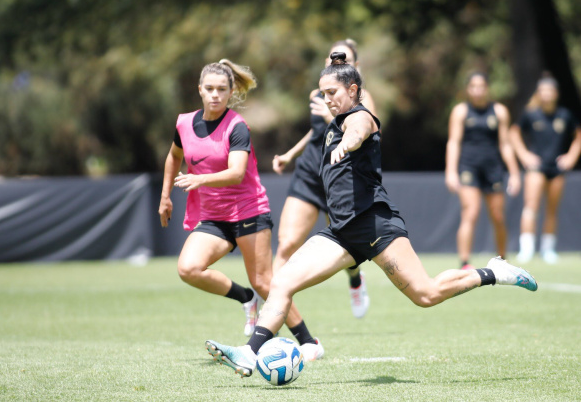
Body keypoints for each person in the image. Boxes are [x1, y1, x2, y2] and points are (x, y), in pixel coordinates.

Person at [204, 52, 537, 377]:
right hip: (341, 233)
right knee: (282, 283)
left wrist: (346, 144)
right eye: (323, 94)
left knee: (426, 294)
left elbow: (359, 129)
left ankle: (495, 272)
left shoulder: (359, 117)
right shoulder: (333, 124)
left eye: (333, 92)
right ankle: (249, 353)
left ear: (353, 91)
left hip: (376, 225)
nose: (328, 99)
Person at [159, 59, 324, 359]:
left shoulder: (237, 126)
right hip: (214, 217)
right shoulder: (184, 123)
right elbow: (173, 157)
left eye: (222, 89)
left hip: (249, 211)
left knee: (264, 281)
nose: (215, 95)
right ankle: (245, 298)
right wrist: (165, 197)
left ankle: (309, 341)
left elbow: (236, 173)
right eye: (209, 89)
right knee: (188, 269)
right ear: (199, 90)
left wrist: (199, 178)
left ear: (231, 91)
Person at [272, 39, 376, 319]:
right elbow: (316, 132)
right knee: (286, 244)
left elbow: (368, 128)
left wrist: (345, 128)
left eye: (345, 61)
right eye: (333, 60)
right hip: (309, 172)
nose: (337, 64)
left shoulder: (363, 100)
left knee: (346, 247)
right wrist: (290, 154)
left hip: (343, 179)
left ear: (356, 68)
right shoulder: (319, 94)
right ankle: (270, 313)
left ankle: (354, 279)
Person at [445, 72, 521, 269]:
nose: (478, 90)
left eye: (481, 86)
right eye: (474, 86)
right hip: (468, 167)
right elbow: (454, 142)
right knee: (470, 212)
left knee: (498, 216)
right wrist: (451, 171)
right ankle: (465, 262)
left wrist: (514, 172)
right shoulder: (461, 111)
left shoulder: (499, 111)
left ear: (487, 88)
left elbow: (505, 144)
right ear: (468, 89)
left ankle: (502, 260)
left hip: (493, 168)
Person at [509, 76, 581, 264]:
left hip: (556, 168)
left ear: (556, 94)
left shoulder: (564, 115)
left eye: (550, 90)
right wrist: (524, 155)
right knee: (531, 207)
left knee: (552, 209)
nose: (547, 94)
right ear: (539, 93)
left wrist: (571, 156)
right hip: (536, 168)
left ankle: (548, 249)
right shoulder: (531, 114)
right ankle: (527, 249)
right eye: (543, 90)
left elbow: (578, 136)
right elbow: (514, 133)